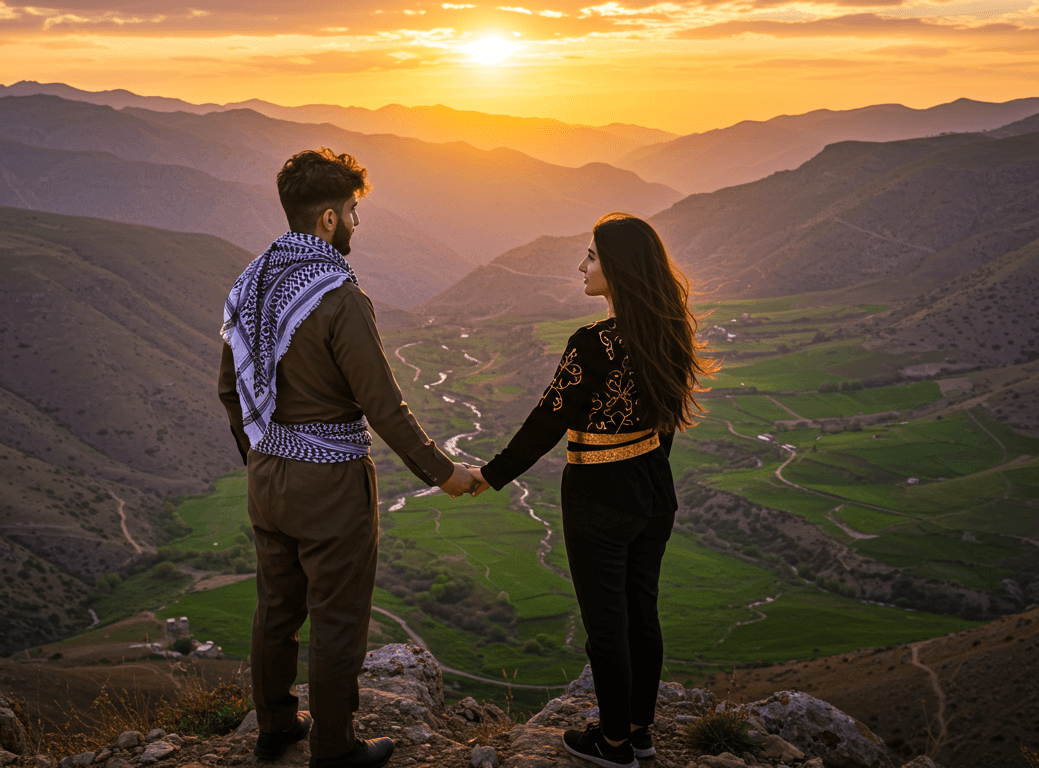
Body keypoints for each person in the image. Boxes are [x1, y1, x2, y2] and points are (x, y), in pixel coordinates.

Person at [219, 148, 477, 768]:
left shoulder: (250, 285)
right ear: (329, 219)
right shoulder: (338, 296)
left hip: (267, 477)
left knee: (276, 610)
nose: (358, 223)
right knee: (337, 619)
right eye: (354, 211)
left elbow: (230, 388)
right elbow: (382, 406)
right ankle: (334, 749)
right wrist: (444, 473)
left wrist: (262, 455)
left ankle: (275, 727)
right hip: (330, 483)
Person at [468, 213, 716, 768]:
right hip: (653, 490)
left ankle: (613, 745)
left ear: (618, 267)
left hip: (597, 496)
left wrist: (489, 475)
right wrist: (647, 473)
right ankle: (639, 731)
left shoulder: (592, 343)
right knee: (642, 613)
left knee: (606, 624)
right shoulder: (671, 331)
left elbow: (548, 420)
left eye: (591, 256)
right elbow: (666, 423)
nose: (582, 266)